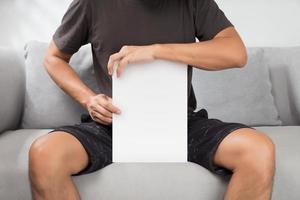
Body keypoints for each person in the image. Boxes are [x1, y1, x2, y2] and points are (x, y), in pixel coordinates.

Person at [28, 0, 276, 199]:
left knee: (258, 150)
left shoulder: (194, 3)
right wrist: (88, 99)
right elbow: (54, 58)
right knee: (44, 154)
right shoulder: (91, 4)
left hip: (180, 121)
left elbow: (236, 53)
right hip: (113, 122)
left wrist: (157, 51)